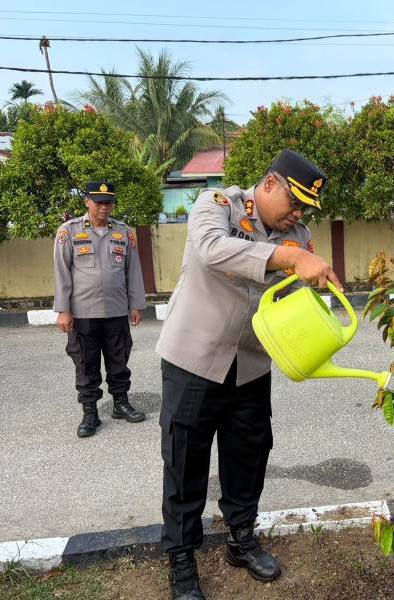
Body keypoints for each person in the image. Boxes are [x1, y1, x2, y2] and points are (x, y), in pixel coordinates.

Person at [155, 149, 341, 600]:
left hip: (252, 362)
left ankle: (241, 537)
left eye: (304, 210)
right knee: (185, 458)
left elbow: (294, 294)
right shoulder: (218, 204)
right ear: (271, 183)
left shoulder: (298, 234)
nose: (297, 215)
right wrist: (289, 259)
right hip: (195, 357)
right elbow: (211, 250)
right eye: (293, 203)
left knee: (249, 453)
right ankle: (181, 557)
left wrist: (317, 298)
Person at [54, 181, 147, 438]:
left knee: (119, 359)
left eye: (109, 202)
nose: (105, 207)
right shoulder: (69, 231)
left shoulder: (122, 232)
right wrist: (63, 310)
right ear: (87, 202)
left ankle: (120, 403)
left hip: (116, 310)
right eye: (99, 202)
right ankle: (89, 412)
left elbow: (133, 269)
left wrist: (135, 304)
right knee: (86, 362)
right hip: (82, 312)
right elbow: (62, 272)